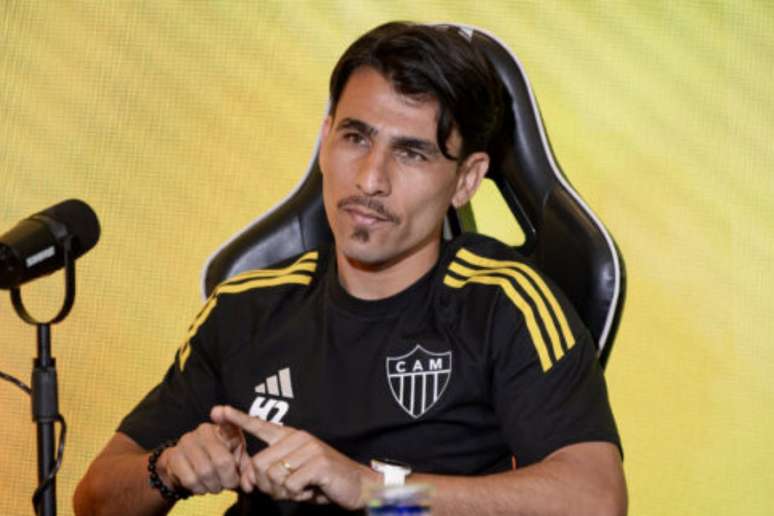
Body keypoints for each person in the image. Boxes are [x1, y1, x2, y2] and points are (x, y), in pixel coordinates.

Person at [74, 22, 627, 515]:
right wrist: (168, 470)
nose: (369, 179)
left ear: (466, 181)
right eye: (355, 138)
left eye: (411, 153)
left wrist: (374, 491)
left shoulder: (503, 303)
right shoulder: (246, 307)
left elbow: (595, 499)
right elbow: (94, 498)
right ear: (325, 140)